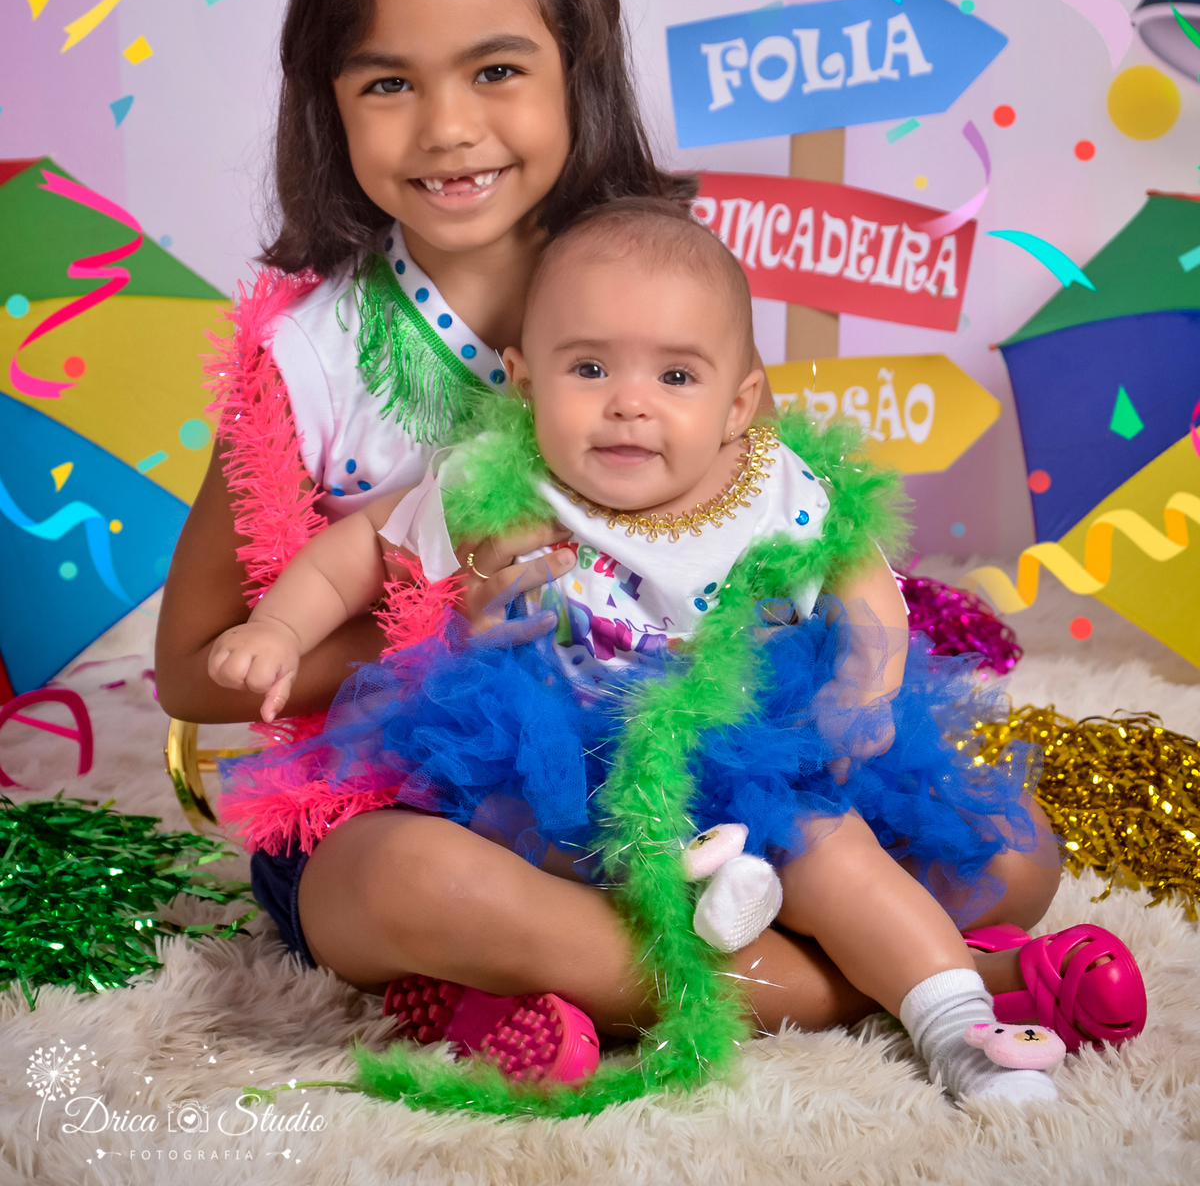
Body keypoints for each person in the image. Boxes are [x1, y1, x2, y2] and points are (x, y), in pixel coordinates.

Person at [209, 199, 1144, 1106]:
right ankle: (742, 939)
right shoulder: (497, 481)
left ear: (740, 406)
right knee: (501, 845)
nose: (629, 406)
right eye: (588, 370)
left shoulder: (768, 487)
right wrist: (277, 632)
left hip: (743, 751)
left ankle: (956, 1022)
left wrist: (865, 685)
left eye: (677, 379)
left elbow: (866, 585)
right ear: (525, 376)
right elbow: (357, 553)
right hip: (563, 773)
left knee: (839, 844)